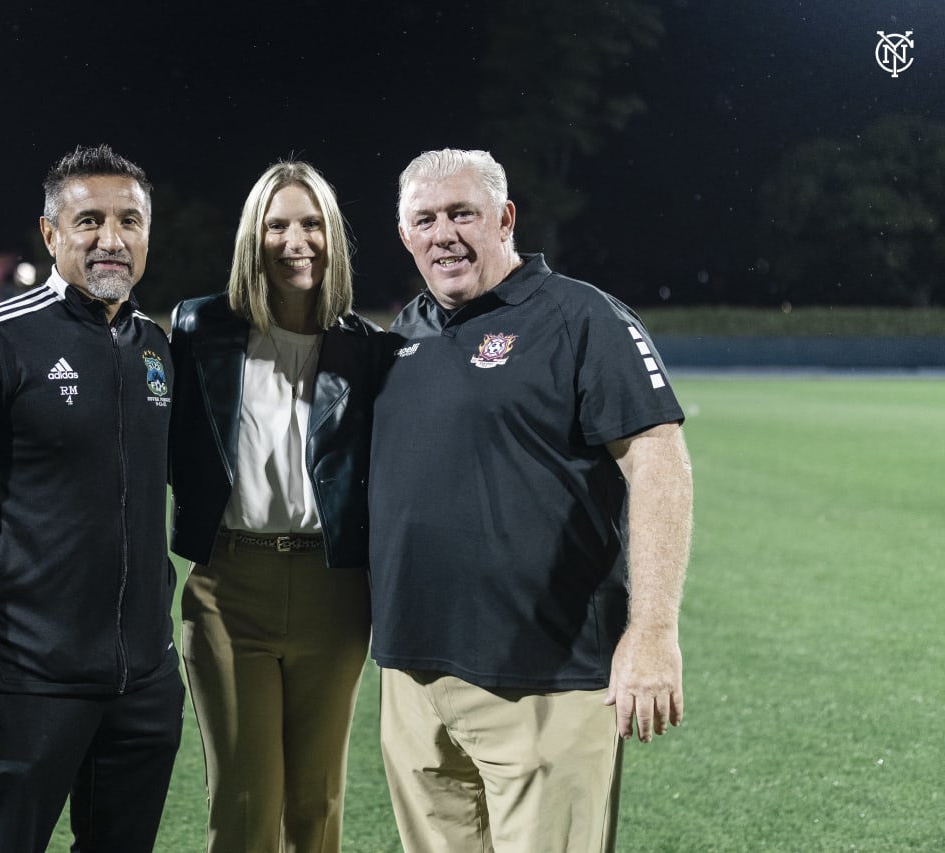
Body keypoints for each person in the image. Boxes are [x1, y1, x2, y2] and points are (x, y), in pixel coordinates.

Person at [368, 148, 694, 853]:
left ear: (505, 217)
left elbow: (659, 463)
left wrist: (654, 631)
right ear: (405, 235)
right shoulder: (405, 334)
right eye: (424, 219)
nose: (443, 233)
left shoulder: (582, 318)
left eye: (463, 213)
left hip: (545, 680)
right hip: (413, 680)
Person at [0, 144, 184, 853]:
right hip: (23, 684)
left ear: (148, 235)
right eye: (88, 221)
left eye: (129, 220)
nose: (111, 239)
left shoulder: (156, 347)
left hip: (142, 684)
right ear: (51, 233)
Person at [168, 160, 380, 853]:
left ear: (333, 236)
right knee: (245, 800)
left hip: (334, 590)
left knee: (315, 802)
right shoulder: (199, 330)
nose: (297, 240)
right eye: (279, 223)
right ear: (252, 239)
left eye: (312, 223)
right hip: (230, 588)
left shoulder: (366, 350)